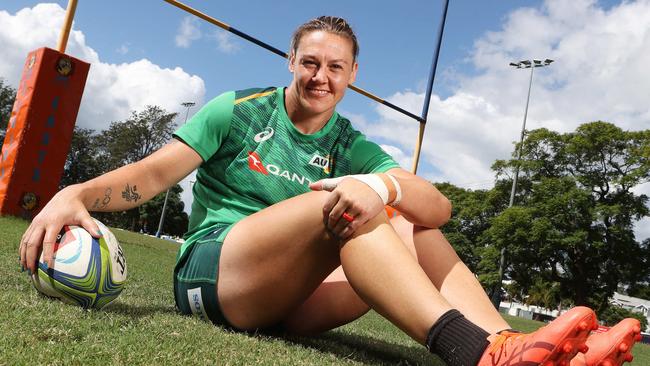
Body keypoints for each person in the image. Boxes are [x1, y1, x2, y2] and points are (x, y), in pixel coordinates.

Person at [19, 16, 641, 366]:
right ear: (291, 61)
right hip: (216, 276)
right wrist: (76, 192)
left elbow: (439, 208)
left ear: (352, 75)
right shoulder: (237, 111)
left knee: (402, 216)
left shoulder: (349, 140)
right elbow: (153, 176)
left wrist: (379, 183)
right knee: (343, 202)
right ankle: (477, 353)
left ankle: (515, 349)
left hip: (296, 296)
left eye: (335, 67)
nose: (322, 77)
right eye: (310, 63)